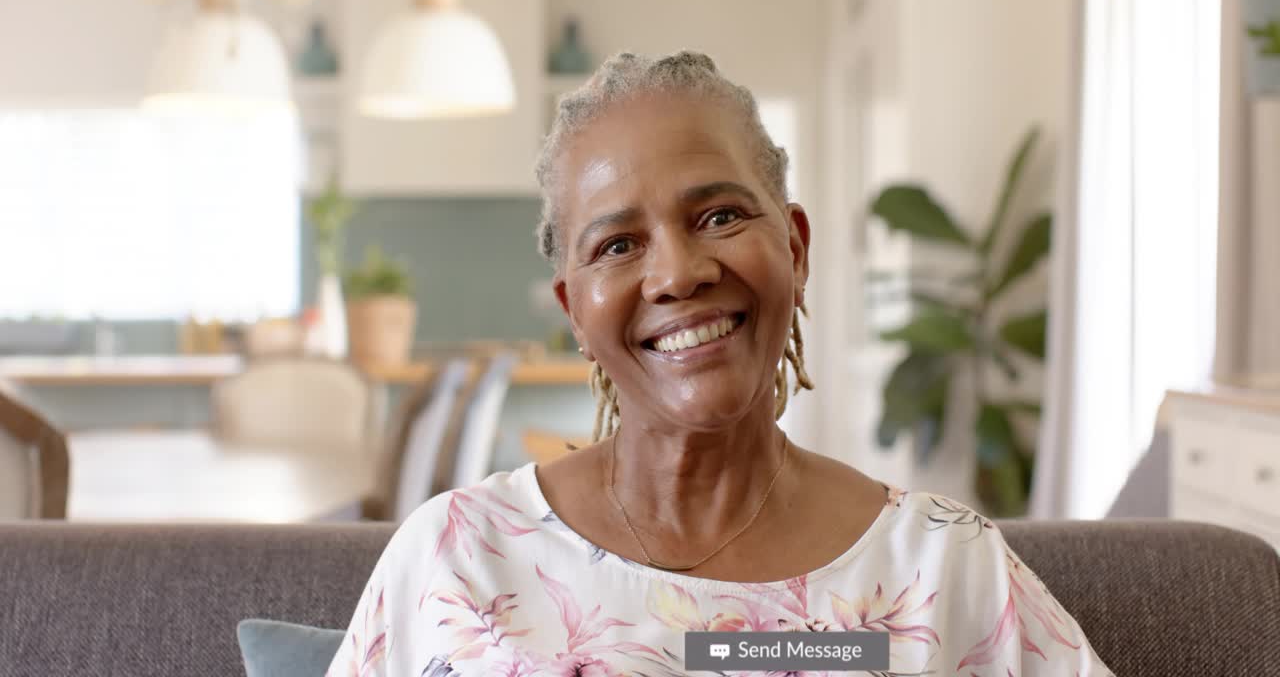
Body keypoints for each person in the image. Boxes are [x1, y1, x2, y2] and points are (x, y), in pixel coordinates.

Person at [327, 51, 1113, 677]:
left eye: (721, 215)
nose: (677, 274)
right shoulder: (455, 555)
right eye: (618, 244)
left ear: (796, 249)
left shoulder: (946, 567)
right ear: (574, 310)